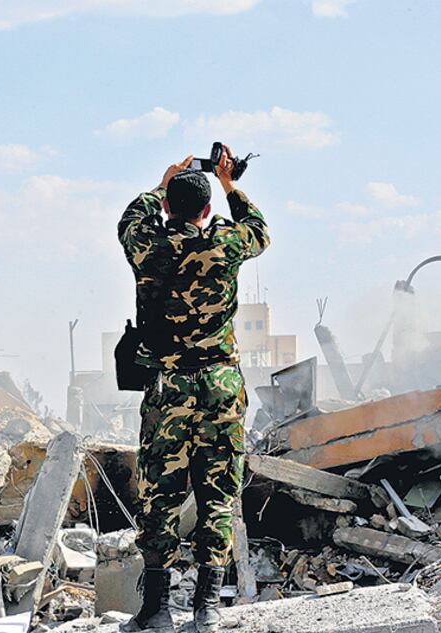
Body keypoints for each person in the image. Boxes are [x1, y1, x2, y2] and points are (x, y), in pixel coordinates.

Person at [116, 147, 270, 632]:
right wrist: (228, 182)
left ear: (168, 208)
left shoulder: (149, 245)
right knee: (218, 494)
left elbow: (129, 220)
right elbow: (259, 229)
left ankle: (157, 609)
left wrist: (163, 184)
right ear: (207, 212)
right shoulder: (226, 244)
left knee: (160, 495)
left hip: (169, 387)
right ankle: (206, 607)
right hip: (222, 386)